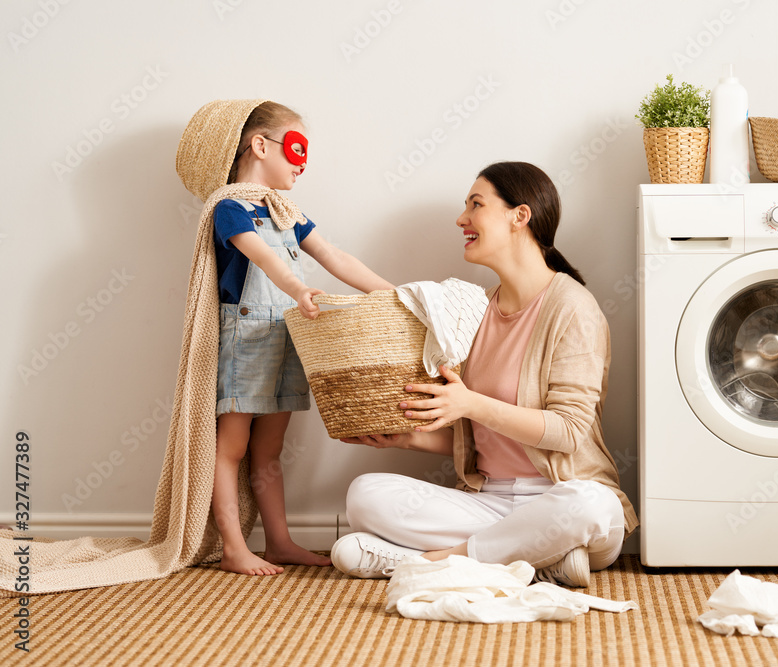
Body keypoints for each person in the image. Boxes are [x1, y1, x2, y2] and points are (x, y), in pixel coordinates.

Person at [331, 161, 638, 587]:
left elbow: (567, 432)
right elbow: (477, 437)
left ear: (520, 216)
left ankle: (440, 562)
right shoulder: (473, 310)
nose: (462, 219)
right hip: (488, 505)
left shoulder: (573, 308)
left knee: (592, 505)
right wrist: (408, 438)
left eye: (476, 205)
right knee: (364, 494)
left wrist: (471, 403)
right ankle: (536, 557)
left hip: (560, 495)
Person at [191, 100, 394, 576]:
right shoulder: (228, 208)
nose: (302, 164)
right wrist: (299, 288)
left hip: (289, 333)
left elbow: (334, 256)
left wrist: (397, 296)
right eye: (296, 149)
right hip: (248, 337)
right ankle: (235, 548)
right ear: (260, 146)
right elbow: (262, 256)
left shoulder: (285, 210)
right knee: (232, 445)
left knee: (269, 449)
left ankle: (278, 541)